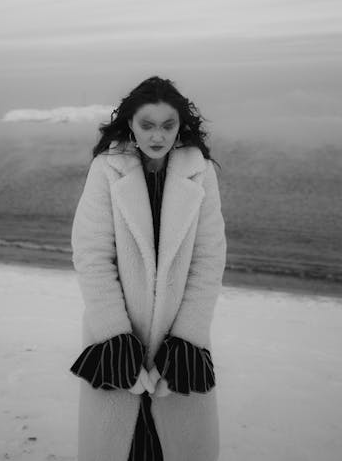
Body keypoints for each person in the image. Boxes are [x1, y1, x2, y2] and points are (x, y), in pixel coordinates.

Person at [69, 75, 226, 461]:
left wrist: (187, 337)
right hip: (117, 337)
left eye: (168, 125)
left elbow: (209, 259)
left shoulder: (201, 172)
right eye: (147, 125)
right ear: (131, 125)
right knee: (121, 446)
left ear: (181, 126)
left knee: (175, 447)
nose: (158, 136)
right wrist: (114, 334)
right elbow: (91, 254)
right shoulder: (106, 170)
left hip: (178, 338)